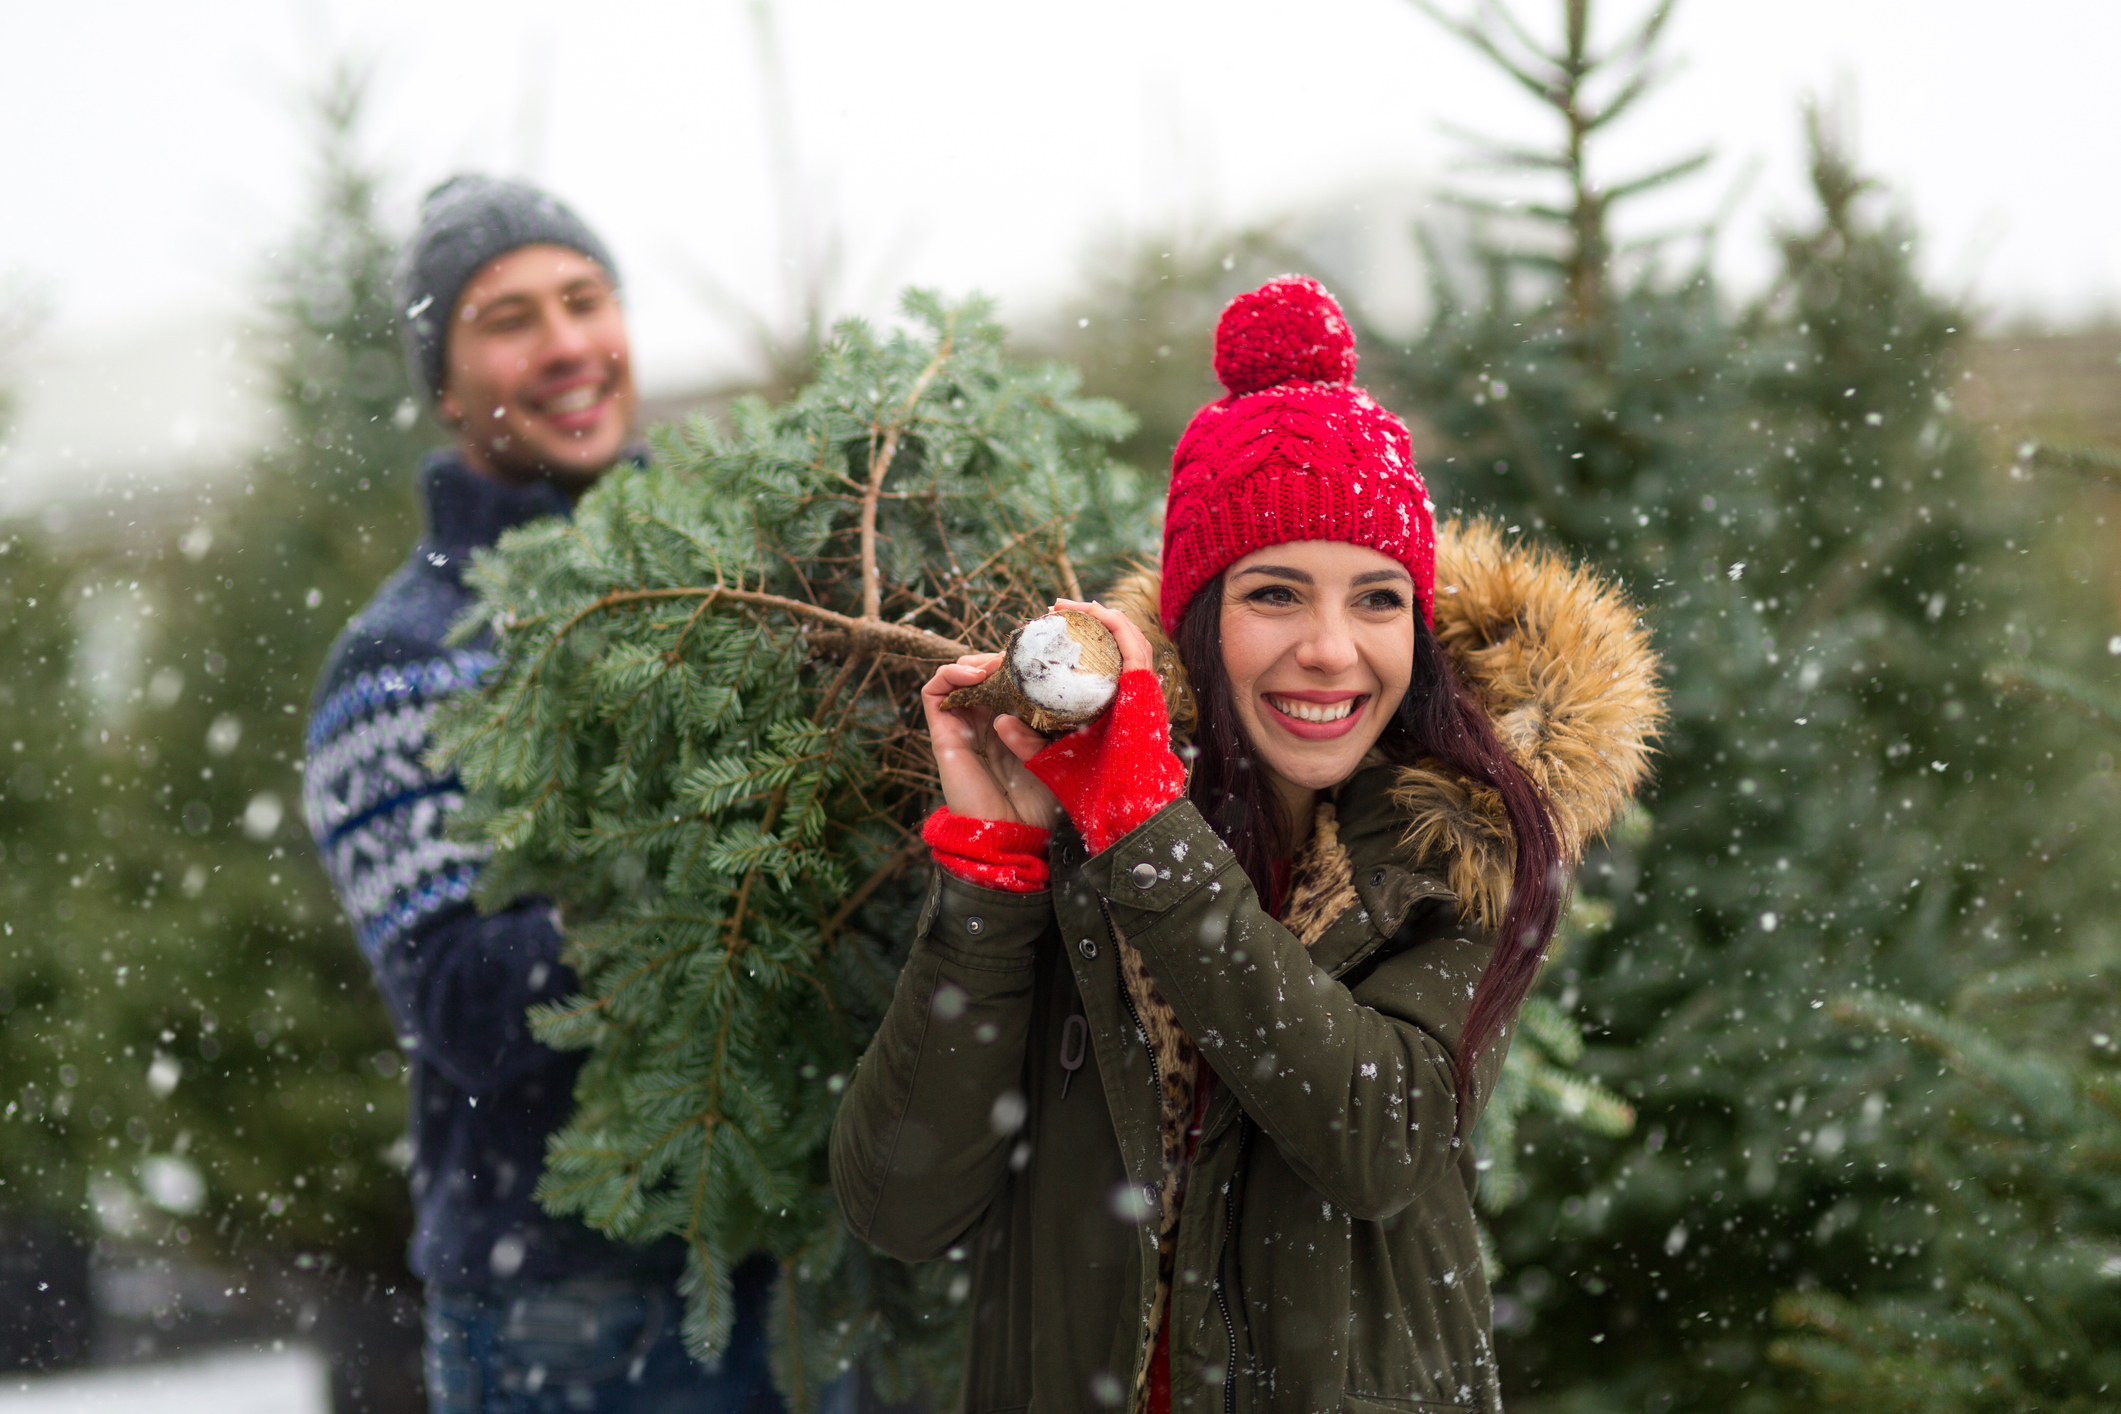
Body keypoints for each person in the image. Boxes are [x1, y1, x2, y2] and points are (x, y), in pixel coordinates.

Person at [829, 276, 1663, 1412]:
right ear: (1199, 617)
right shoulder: (1086, 827)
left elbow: (1379, 1138)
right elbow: (900, 1204)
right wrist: (993, 873)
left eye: (1376, 601)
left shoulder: (1457, 845)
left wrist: (1147, 831)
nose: (1333, 649)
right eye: (1275, 594)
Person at [303, 175, 788, 1413]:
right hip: (574, 1308)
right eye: (510, 317)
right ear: (449, 385)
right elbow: (459, 1000)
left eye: (585, 299)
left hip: (800, 1258)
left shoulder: (746, 577)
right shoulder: (402, 660)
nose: (568, 343)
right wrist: (685, 866)